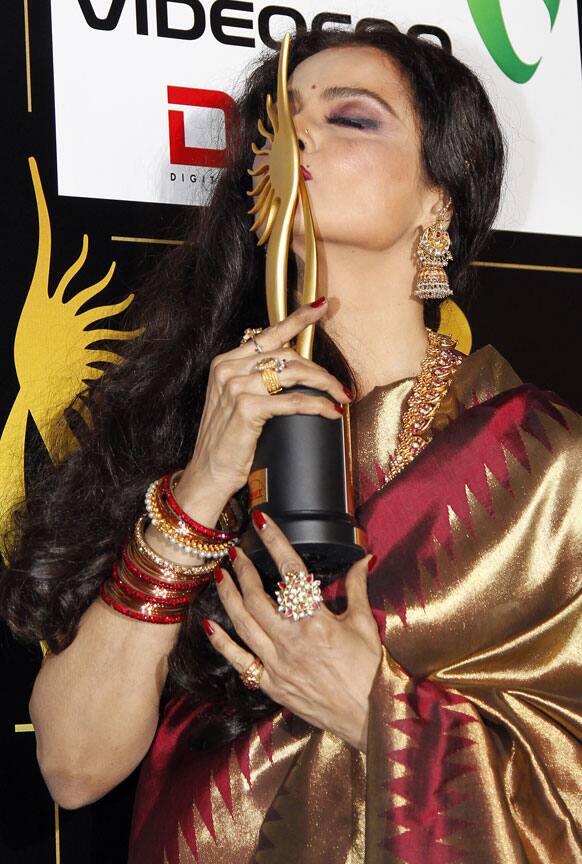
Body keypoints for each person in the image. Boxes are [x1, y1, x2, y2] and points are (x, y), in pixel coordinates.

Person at [1, 24, 580, 864]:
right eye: (281, 119)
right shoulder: (191, 421)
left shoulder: (542, 462)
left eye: (351, 118)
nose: (298, 133)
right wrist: (200, 486)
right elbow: (74, 767)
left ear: (439, 196)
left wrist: (370, 711)